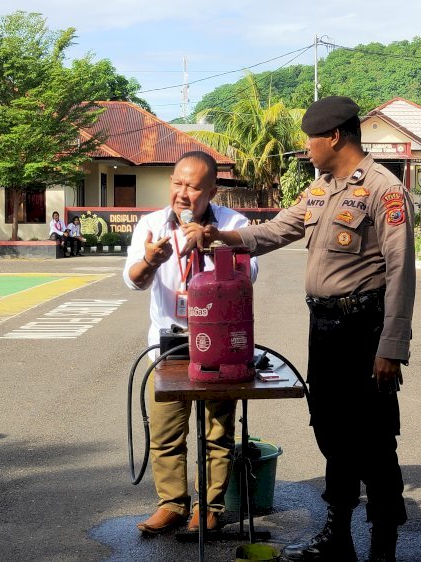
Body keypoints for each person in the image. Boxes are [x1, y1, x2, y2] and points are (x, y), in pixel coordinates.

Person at [184, 97, 415, 562]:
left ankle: (384, 549)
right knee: (331, 432)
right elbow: (273, 231)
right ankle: (339, 541)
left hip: (364, 330)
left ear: (334, 137)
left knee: (372, 439)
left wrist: (392, 346)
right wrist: (220, 236)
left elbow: (402, 271)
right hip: (326, 329)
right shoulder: (321, 189)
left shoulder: (383, 190)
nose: (305, 148)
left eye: (311, 138)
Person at [122, 151, 259, 535]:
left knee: (218, 432)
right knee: (166, 432)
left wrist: (212, 244)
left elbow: (249, 275)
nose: (182, 194)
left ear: (212, 191)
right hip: (167, 344)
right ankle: (172, 505)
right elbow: (133, 280)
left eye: (193, 187)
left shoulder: (234, 224)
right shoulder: (150, 225)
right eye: (177, 183)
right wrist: (150, 260)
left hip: (218, 345)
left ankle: (210, 508)